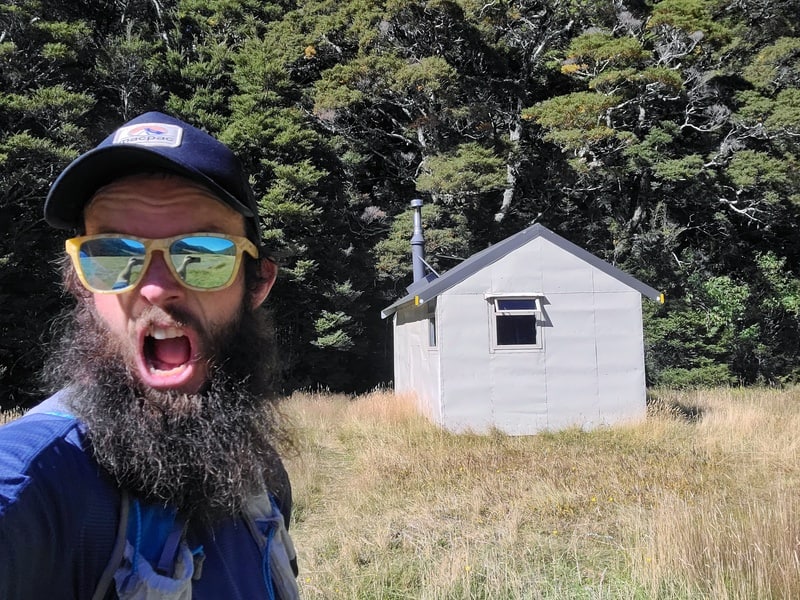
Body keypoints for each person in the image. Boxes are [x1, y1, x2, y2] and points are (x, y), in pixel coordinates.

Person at [0, 112, 300, 599]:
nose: (157, 289)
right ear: (79, 285)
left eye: (202, 254)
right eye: (114, 255)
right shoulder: (36, 487)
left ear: (258, 284)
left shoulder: (260, 478)